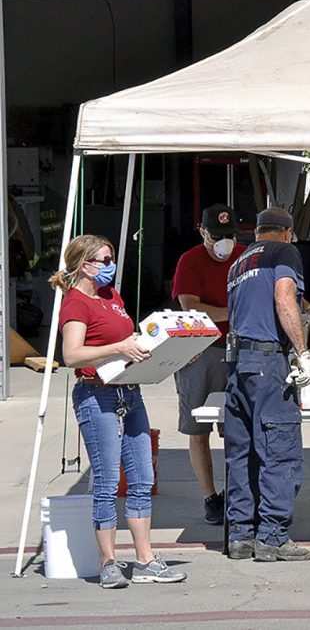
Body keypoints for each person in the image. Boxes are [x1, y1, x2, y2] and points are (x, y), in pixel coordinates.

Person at [51, 235, 187, 589]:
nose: (111, 264)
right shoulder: (76, 304)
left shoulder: (112, 297)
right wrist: (119, 347)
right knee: (108, 481)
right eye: (105, 258)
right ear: (85, 265)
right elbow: (72, 355)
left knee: (142, 477)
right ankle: (109, 561)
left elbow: (129, 340)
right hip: (97, 396)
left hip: (130, 391)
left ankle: (145, 559)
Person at [223, 207, 310, 562]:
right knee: (280, 448)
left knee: (241, 452)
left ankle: (241, 536)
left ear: (257, 232)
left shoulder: (239, 262)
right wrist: (303, 352)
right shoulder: (285, 252)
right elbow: (283, 297)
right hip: (267, 362)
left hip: (238, 364)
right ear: (288, 232)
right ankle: (273, 537)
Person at [171, 203, 245, 525]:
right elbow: (192, 309)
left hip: (239, 350)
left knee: (237, 428)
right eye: (216, 236)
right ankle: (210, 497)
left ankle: (238, 492)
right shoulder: (189, 261)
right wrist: (239, 309)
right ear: (203, 232)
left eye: (228, 236)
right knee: (197, 429)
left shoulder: (245, 256)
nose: (223, 243)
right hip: (200, 351)